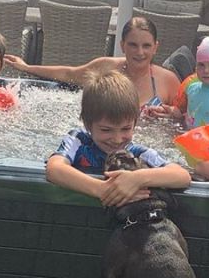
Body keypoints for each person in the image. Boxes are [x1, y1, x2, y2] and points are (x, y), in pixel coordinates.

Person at [46, 70, 191, 206]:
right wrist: (102, 190)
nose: (117, 139)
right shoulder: (80, 140)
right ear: (88, 124)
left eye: (126, 129)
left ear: (135, 123)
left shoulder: (136, 153)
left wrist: (137, 179)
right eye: (106, 130)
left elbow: (182, 175)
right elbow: (54, 168)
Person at [5, 16, 181, 109]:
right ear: (122, 45)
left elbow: (186, 118)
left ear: (155, 47)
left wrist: (172, 115)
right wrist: (27, 67)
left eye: (146, 46)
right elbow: (69, 74)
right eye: (133, 45)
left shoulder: (168, 80)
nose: (140, 52)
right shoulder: (107, 67)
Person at [154, 34, 209, 128]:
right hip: (188, 138)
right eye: (201, 65)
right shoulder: (192, 88)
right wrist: (169, 110)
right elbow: (185, 113)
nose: (206, 70)